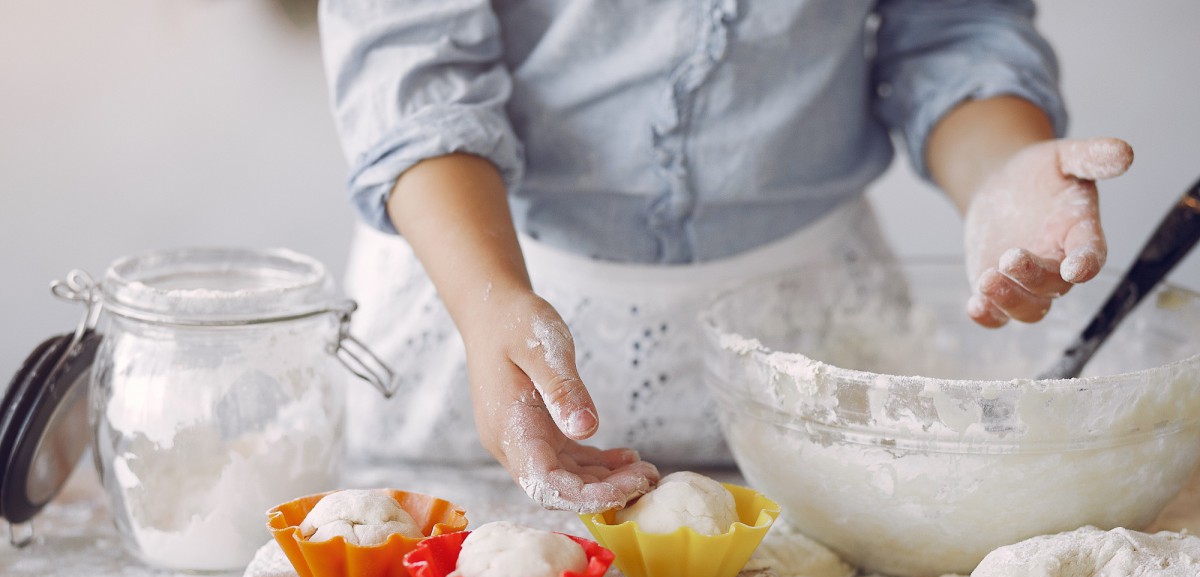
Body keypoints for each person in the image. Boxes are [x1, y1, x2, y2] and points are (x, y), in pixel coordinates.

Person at [317, 0, 1133, 514]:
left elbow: (955, 28)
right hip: (489, 307)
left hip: (809, 338)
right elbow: (410, 56)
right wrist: (486, 297)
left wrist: (1001, 174)